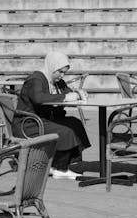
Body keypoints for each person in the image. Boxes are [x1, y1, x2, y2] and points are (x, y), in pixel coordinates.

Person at [13, 51, 91, 179]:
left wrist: (78, 93)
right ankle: (60, 169)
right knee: (66, 131)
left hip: (43, 120)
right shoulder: (36, 79)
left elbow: (68, 92)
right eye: (60, 71)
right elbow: (39, 98)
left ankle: (57, 164)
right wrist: (66, 97)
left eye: (64, 72)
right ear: (52, 67)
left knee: (75, 123)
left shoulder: (56, 81)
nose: (62, 75)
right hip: (29, 124)